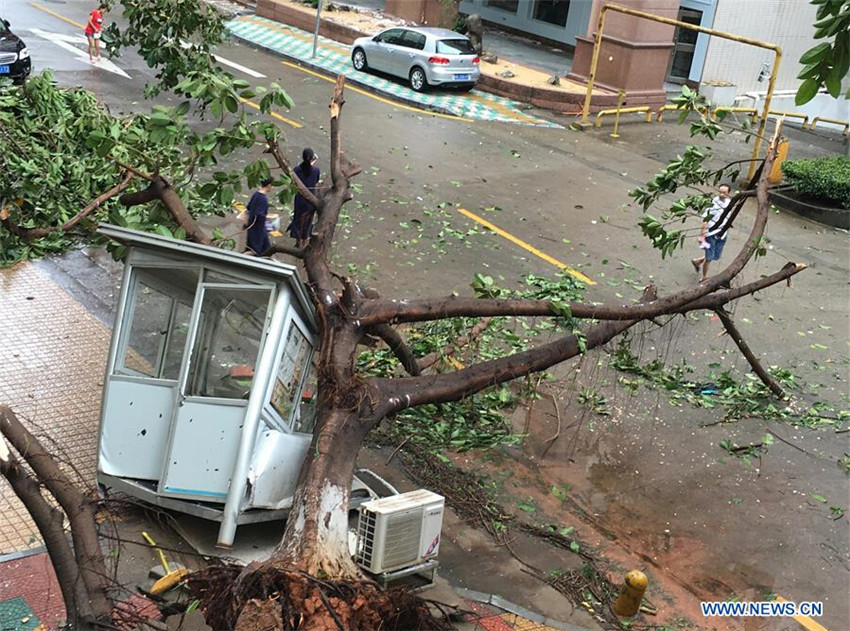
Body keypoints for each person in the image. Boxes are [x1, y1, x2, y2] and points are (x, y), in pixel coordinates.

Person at [692, 183, 732, 282]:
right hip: (711, 233)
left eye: (724, 192)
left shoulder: (729, 202)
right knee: (709, 258)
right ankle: (704, 277)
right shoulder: (712, 204)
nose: (722, 194)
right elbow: (705, 220)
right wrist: (702, 235)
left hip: (722, 233)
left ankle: (697, 261)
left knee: (715, 256)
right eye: (720, 192)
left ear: (728, 193)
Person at [288, 148, 320, 248]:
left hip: (300, 198)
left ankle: (298, 239)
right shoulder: (316, 171)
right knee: (308, 220)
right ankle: (305, 240)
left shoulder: (296, 170)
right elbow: (315, 180)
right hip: (310, 200)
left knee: (298, 217)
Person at [244, 178, 273, 256]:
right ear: (269, 185)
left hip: (253, 226)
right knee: (255, 250)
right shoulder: (263, 199)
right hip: (258, 229)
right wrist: (268, 218)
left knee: (265, 247)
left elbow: (248, 207)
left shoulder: (256, 194)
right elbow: (259, 215)